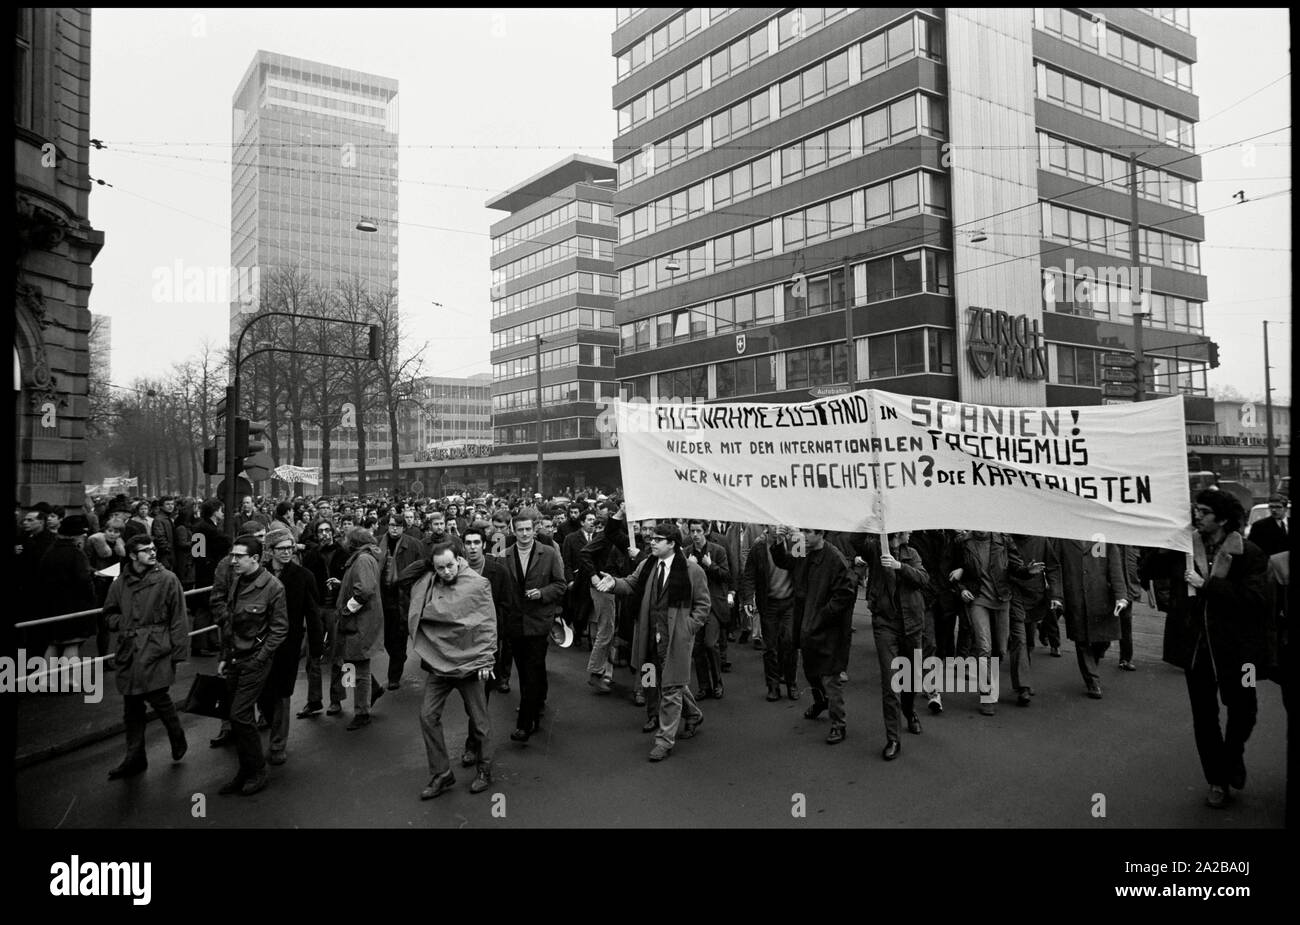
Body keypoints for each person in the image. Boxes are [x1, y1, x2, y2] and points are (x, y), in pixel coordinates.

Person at [1171, 490, 1270, 808]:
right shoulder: (1186, 550)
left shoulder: (1250, 553)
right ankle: (1216, 780)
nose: (1196, 515)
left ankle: (1233, 756)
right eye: (1195, 510)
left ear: (1223, 519)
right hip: (1198, 650)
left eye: (1203, 511)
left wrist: (1208, 585)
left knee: (1246, 711)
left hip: (1243, 654)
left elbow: (1256, 601)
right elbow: (1147, 570)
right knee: (1205, 718)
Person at [603, 522, 711, 761]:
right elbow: (630, 583)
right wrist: (613, 583)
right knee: (655, 678)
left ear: (671, 544)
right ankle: (692, 714)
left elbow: (703, 605)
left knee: (671, 687)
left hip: (675, 638)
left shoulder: (692, 570)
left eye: (657, 539)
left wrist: (688, 628)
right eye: (652, 538)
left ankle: (664, 741)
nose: (651, 542)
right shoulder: (647, 564)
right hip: (649, 634)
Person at [410, 544, 498, 799]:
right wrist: (426, 567)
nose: (447, 571)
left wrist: (486, 660)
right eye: (440, 567)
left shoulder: (478, 584)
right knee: (427, 716)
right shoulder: (429, 581)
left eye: (450, 565)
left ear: (459, 559)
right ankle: (442, 773)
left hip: (471, 663)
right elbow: (400, 580)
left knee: (479, 722)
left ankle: (485, 769)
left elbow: (488, 622)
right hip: (439, 663)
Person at [103, 534, 189, 779]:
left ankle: (176, 734)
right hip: (129, 648)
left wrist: (178, 652)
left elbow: (179, 618)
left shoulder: (167, 580)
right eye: (146, 550)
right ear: (132, 555)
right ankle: (135, 757)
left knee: (158, 696)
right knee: (132, 705)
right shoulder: (120, 583)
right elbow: (108, 613)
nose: (153, 553)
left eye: (153, 548)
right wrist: (121, 622)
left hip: (156, 646)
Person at [215, 532, 288, 795]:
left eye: (238, 556)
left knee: (240, 715)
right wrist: (225, 656)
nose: (233, 560)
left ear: (255, 559)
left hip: (254, 660)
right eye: (232, 555)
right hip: (235, 656)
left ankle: (257, 771)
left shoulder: (273, 587)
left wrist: (260, 658)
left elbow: (280, 629)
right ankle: (245, 771)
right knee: (235, 717)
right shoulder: (237, 581)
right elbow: (230, 623)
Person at [771, 527, 857, 744]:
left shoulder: (835, 558)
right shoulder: (803, 549)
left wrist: (823, 614)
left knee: (830, 676)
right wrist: (779, 540)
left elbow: (846, 593)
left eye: (809, 532)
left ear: (821, 534)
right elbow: (784, 561)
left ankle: (838, 724)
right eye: (803, 531)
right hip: (806, 623)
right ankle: (821, 701)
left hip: (828, 629)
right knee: (810, 671)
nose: (804, 535)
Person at [498, 509, 566, 743]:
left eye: (528, 529)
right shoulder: (504, 555)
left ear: (534, 529)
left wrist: (542, 593)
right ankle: (537, 703)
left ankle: (525, 724)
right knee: (527, 670)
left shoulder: (548, 553)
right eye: (520, 530)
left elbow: (560, 585)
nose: (525, 534)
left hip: (539, 621)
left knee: (532, 668)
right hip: (515, 623)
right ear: (513, 531)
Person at [951, 531, 1035, 716]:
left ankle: (991, 681)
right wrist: (961, 589)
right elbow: (955, 570)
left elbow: (1016, 567)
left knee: (1000, 649)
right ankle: (987, 695)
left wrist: (1028, 571)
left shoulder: (1003, 540)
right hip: (978, 599)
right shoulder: (963, 542)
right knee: (984, 647)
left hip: (1002, 599)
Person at [863, 532, 929, 759]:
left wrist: (900, 566)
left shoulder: (912, 553)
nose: (910, 532)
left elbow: (923, 579)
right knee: (890, 682)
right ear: (898, 532)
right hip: (885, 623)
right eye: (907, 530)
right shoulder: (875, 549)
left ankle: (909, 711)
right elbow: (855, 541)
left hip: (911, 624)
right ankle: (893, 738)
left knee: (910, 677)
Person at [258, 528, 318, 765]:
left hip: (289, 643)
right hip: (260, 642)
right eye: (281, 548)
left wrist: (316, 645)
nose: (286, 552)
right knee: (262, 693)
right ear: (270, 551)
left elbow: (312, 613)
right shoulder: (259, 575)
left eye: (290, 548)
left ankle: (277, 744)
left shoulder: (303, 576)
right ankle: (270, 721)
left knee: (283, 692)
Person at [1055, 537, 1128, 700]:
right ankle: (1092, 681)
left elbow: (1115, 567)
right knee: (1082, 641)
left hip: (1101, 597)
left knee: (1103, 640)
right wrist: (1057, 595)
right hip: (1075, 597)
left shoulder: (1103, 538)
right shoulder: (1064, 538)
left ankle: (1093, 664)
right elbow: (1057, 567)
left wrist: (1121, 595)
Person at [576, 509, 633, 694]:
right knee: (606, 631)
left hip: (615, 586)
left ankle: (605, 673)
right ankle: (595, 673)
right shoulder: (605, 537)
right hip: (603, 587)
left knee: (611, 630)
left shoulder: (623, 537)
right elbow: (584, 554)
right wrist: (593, 576)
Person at [334, 527, 385, 729]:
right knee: (354, 664)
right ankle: (372, 692)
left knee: (358, 668)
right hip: (360, 622)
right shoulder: (364, 558)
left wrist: (347, 609)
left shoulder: (362, 559)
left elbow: (364, 590)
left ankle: (362, 711)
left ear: (353, 542)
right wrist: (343, 585)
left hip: (359, 622)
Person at [742, 525, 800, 702]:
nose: (777, 528)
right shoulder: (758, 546)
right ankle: (773, 686)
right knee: (770, 647)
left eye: (779, 524)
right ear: (766, 525)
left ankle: (791, 683)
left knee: (790, 643)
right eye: (772, 524)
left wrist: (792, 538)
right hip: (769, 603)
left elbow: (802, 565)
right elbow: (749, 575)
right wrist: (748, 600)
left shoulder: (796, 542)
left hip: (790, 601)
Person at [33, 514, 98, 669]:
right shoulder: (76, 554)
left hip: (51, 604)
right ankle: (70, 680)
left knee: (54, 644)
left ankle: (47, 680)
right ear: (78, 536)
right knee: (72, 644)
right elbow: (84, 581)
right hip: (74, 606)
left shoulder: (51, 551)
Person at [1007, 535, 1063, 706]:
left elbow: (1053, 567)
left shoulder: (1041, 541)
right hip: (1013, 593)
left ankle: (1024, 675)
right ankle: (1023, 686)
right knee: (1020, 640)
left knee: (1028, 640)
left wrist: (1055, 594)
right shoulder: (1007, 538)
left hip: (1035, 596)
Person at [301, 519, 347, 716]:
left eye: (328, 530)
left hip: (336, 608)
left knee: (340, 656)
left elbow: (351, 580)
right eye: (321, 531)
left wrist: (341, 583)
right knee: (313, 656)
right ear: (316, 534)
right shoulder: (311, 556)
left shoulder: (343, 553)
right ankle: (313, 700)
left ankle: (337, 699)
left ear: (333, 532)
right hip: (317, 608)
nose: (325, 534)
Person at [378, 514, 427, 690]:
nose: (394, 528)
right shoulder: (379, 544)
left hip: (404, 597)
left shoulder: (414, 545)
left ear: (403, 528)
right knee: (387, 639)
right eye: (391, 525)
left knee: (399, 637)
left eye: (398, 526)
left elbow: (422, 570)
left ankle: (394, 675)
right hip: (383, 597)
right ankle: (398, 656)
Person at [685, 519, 730, 699]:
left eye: (698, 531)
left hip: (712, 604)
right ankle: (704, 686)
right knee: (697, 648)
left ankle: (718, 682)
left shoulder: (717, 550)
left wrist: (711, 565)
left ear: (706, 531)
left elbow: (726, 575)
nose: (695, 535)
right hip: (695, 605)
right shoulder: (686, 552)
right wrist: (690, 566)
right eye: (692, 531)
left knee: (710, 644)